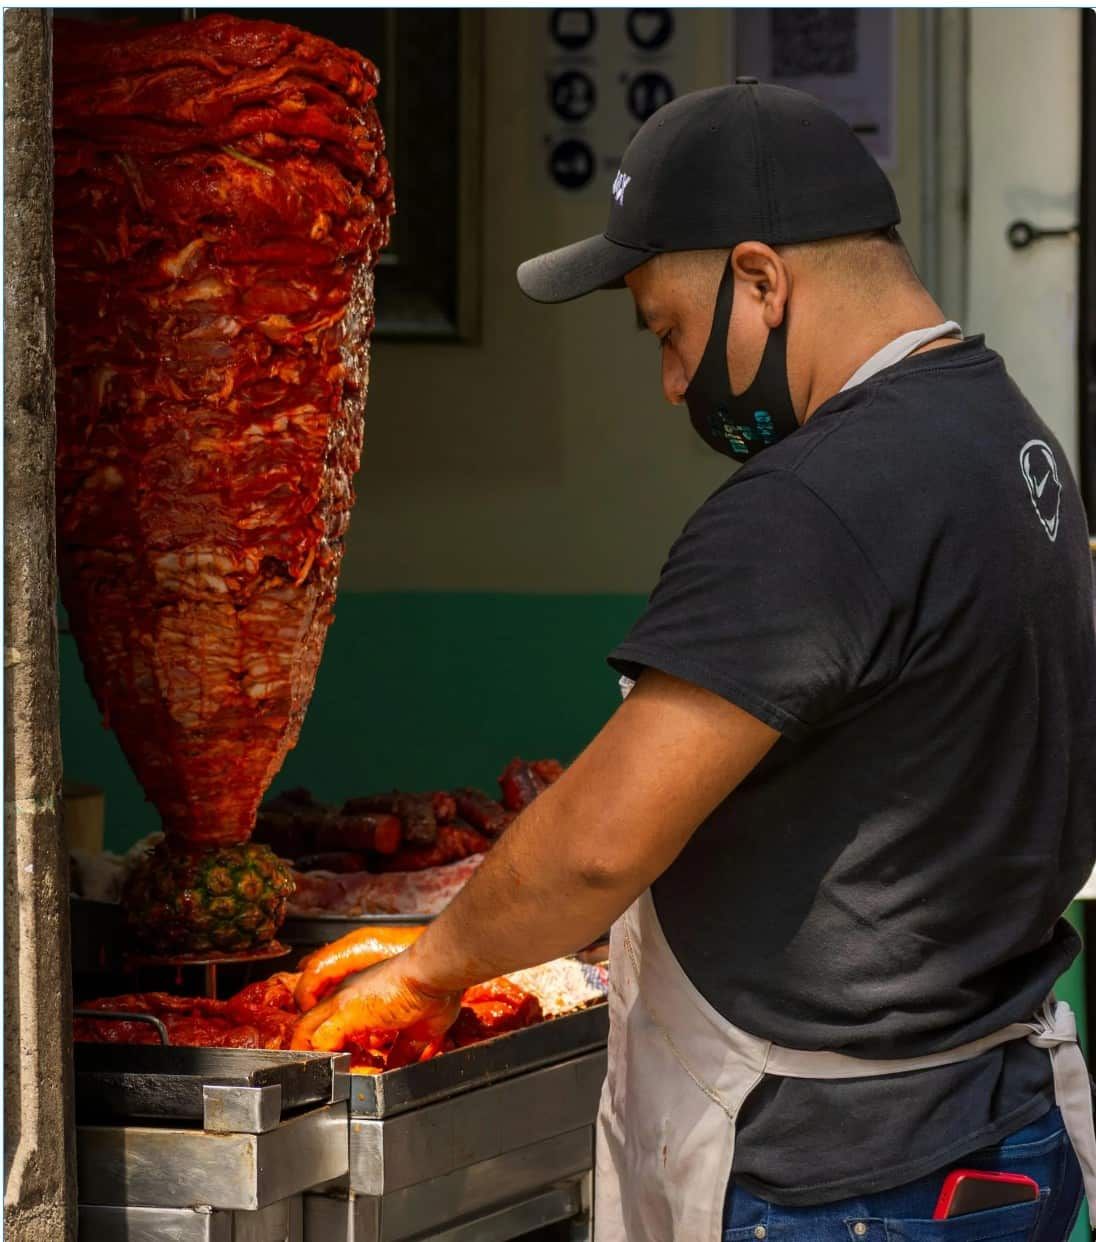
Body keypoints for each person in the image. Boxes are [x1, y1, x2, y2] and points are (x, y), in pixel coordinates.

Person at [295, 83, 1096, 1241]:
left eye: (667, 330)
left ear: (762, 279)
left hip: (839, 1182)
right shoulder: (1006, 435)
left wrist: (431, 974)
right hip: (983, 1133)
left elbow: (597, 847)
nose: (674, 382)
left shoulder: (816, 501)